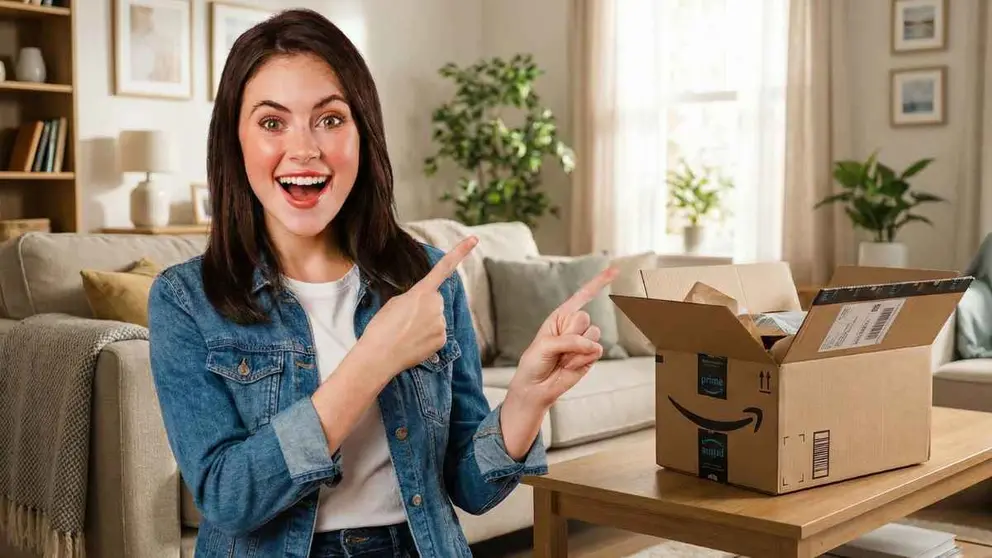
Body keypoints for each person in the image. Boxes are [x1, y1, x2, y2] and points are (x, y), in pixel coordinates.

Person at [147, 8, 617, 558]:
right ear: (235, 140)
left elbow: (469, 487)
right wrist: (373, 360)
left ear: (363, 133)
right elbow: (227, 499)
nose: (305, 149)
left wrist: (526, 400)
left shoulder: (428, 279)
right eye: (272, 122)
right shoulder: (186, 300)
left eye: (330, 119)